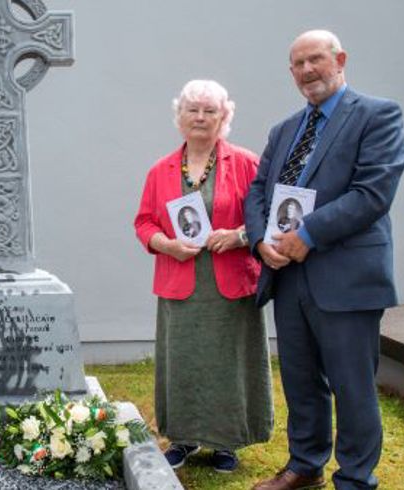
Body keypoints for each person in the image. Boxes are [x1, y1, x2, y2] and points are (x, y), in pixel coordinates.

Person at [244, 30, 404, 490]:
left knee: (352, 386)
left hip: (346, 275)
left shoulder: (377, 115)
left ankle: (354, 478)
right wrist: (259, 241)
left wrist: (308, 235)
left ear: (340, 59)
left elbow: (372, 193)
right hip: (288, 276)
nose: (307, 70)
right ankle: (305, 465)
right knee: (300, 380)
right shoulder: (284, 129)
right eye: (297, 64)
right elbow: (259, 192)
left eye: (315, 59)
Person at [134, 80, 273, 474]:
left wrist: (239, 236)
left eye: (210, 111)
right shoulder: (159, 170)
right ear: (179, 117)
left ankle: (226, 441)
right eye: (192, 109)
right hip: (179, 283)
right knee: (183, 361)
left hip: (230, 284)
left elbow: (265, 217)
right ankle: (183, 438)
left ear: (224, 117)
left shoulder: (246, 163)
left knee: (229, 362)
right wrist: (166, 244)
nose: (200, 117)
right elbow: (143, 222)